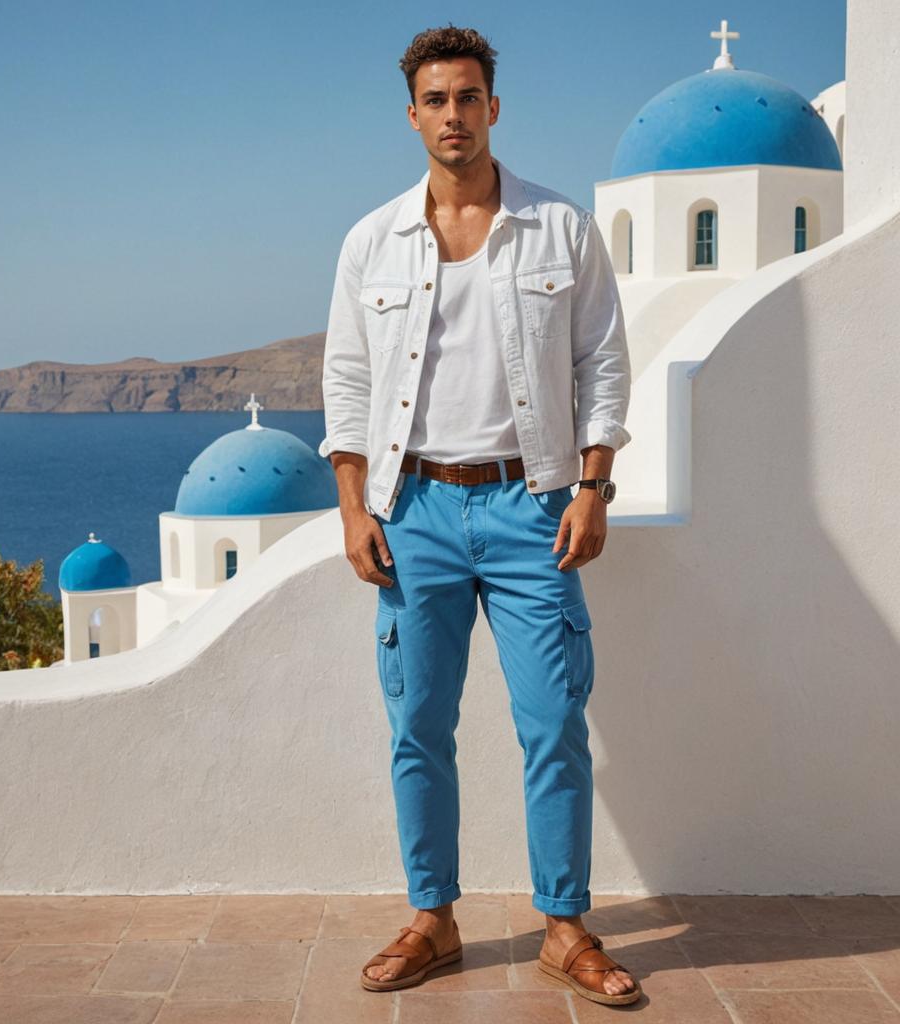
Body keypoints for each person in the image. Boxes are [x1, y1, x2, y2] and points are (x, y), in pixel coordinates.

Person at [317, 25, 642, 1007]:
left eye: (467, 97)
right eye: (434, 99)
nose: (452, 115)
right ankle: (433, 917)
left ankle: (564, 926)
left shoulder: (559, 227)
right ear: (411, 114)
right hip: (412, 505)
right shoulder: (370, 240)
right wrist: (352, 507)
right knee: (417, 722)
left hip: (532, 505)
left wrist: (591, 485)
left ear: (492, 108)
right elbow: (345, 379)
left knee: (553, 722)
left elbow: (602, 363)